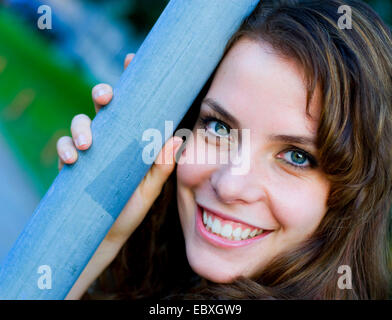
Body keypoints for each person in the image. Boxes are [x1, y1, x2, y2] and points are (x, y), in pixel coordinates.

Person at [57, 0, 392, 299]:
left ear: (354, 194)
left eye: (296, 156)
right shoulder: (152, 274)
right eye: (219, 128)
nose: (230, 185)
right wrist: (97, 233)